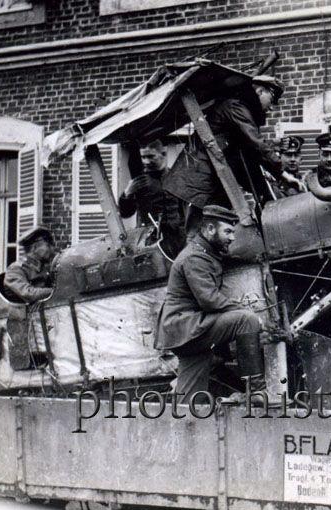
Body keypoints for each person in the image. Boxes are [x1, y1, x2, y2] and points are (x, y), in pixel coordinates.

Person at [163, 75, 301, 232]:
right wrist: (283, 174)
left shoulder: (237, 108)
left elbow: (248, 154)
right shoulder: (235, 107)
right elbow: (256, 145)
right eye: (272, 99)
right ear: (260, 91)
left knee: (213, 232)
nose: (272, 108)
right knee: (198, 234)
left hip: (205, 184)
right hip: (195, 185)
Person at [154, 205, 263, 398]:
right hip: (188, 327)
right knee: (247, 320)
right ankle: (257, 392)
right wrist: (247, 311)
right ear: (210, 229)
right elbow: (210, 300)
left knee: (189, 400)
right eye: (227, 231)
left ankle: (181, 416)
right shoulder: (195, 257)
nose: (232, 237)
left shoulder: (204, 252)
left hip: (183, 331)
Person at [117, 139, 185, 252]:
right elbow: (125, 213)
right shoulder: (140, 181)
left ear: (163, 154)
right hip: (150, 241)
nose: (146, 161)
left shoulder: (176, 177)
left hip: (177, 239)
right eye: (143, 157)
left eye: (151, 156)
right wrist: (127, 193)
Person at [4, 226, 57, 303]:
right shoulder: (16, 269)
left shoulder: (44, 268)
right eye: (48, 245)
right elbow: (28, 293)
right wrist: (57, 291)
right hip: (22, 310)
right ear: (34, 247)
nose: (52, 249)